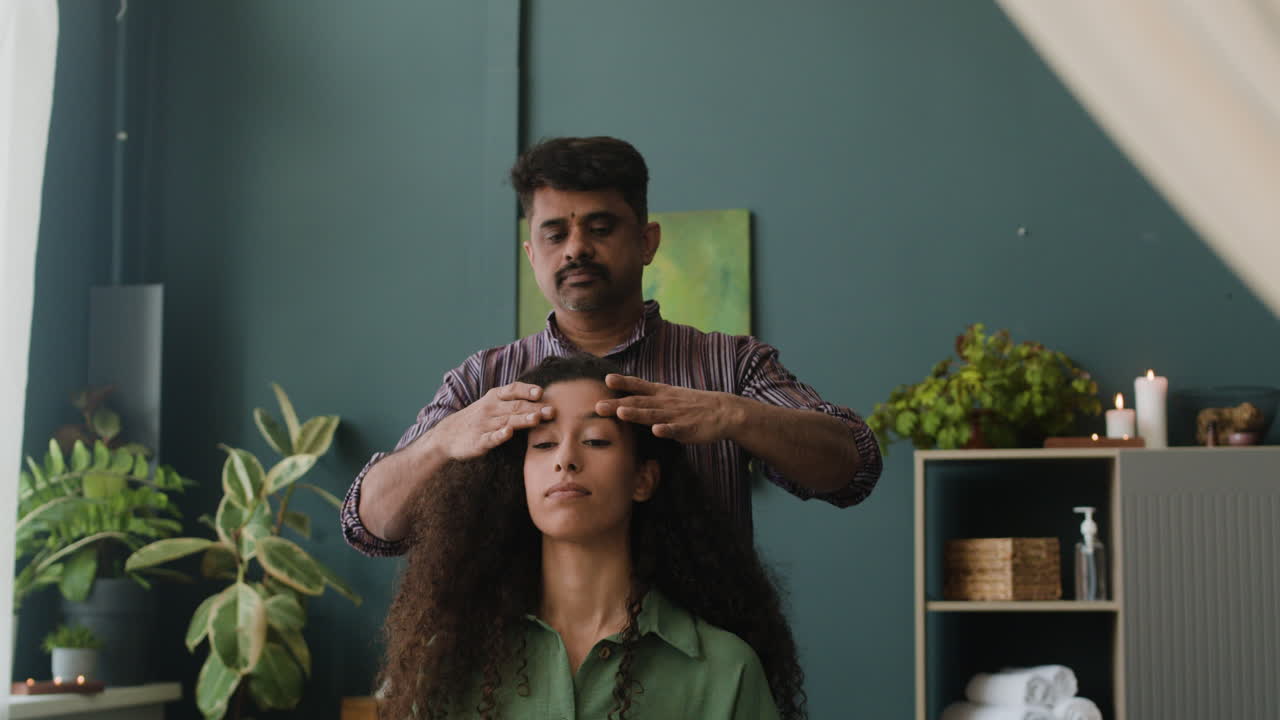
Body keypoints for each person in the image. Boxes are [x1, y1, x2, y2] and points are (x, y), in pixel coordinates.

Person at [343, 136, 882, 556]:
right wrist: (443, 441)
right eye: (556, 234)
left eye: (600, 228)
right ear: (533, 255)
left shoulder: (730, 365)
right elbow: (370, 527)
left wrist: (733, 414)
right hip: (524, 681)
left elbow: (853, 467)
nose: (577, 248)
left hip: (702, 674)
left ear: (646, 242)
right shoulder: (481, 382)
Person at [378, 355, 804, 720]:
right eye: (543, 445)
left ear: (643, 479)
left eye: (596, 440)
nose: (565, 459)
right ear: (519, 481)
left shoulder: (727, 671)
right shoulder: (449, 661)